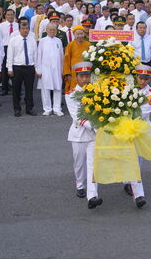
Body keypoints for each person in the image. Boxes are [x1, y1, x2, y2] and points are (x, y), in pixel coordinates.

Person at [64, 62, 102, 209]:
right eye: (82, 76)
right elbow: (77, 116)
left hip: (93, 136)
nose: (85, 79)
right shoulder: (70, 94)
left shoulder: (97, 92)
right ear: (77, 77)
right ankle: (80, 184)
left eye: (87, 76)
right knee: (79, 163)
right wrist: (95, 126)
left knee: (93, 165)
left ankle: (92, 195)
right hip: (79, 134)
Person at [122, 64, 151, 208]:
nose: (142, 81)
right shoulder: (128, 89)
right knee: (133, 160)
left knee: (138, 160)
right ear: (136, 77)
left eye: (145, 79)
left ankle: (128, 182)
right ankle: (138, 195)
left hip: (141, 129)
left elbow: (141, 113)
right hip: (126, 127)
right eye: (140, 78)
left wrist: (124, 111)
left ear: (149, 79)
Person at [6, 23, 37, 117]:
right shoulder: (13, 40)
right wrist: (10, 68)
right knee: (16, 89)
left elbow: (35, 55)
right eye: (23, 28)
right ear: (19, 29)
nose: (25, 30)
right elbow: (10, 55)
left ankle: (29, 108)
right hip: (17, 67)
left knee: (29, 89)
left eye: (27, 28)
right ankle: (17, 108)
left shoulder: (32, 40)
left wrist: (36, 68)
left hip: (29, 67)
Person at [36, 23, 64, 116]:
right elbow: (39, 56)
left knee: (57, 88)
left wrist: (62, 70)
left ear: (56, 31)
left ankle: (57, 108)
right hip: (45, 69)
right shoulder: (42, 41)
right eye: (50, 30)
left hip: (57, 69)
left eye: (54, 30)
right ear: (46, 30)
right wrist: (38, 70)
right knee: (45, 89)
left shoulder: (58, 41)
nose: (52, 31)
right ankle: (47, 108)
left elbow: (61, 56)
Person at [0, 9, 18, 96]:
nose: (10, 16)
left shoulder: (17, 25)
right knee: (5, 68)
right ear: (5, 16)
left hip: (15, 48)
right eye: (8, 15)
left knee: (15, 68)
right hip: (5, 47)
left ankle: (16, 89)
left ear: (14, 15)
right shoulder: (1, 26)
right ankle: (5, 88)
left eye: (11, 14)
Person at [63, 26, 90, 93]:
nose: (79, 36)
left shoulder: (88, 44)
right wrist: (68, 74)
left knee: (85, 88)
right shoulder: (70, 45)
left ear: (84, 34)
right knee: (74, 89)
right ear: (74, 35)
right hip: (73, 72)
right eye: (77, 34)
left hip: (85, 70)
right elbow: (66, 60)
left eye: (81, 33)